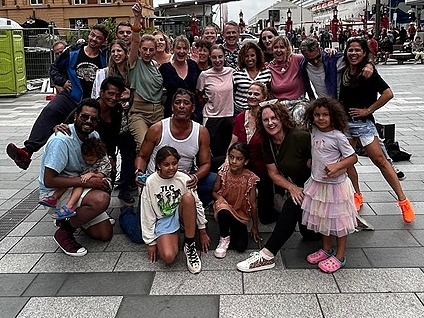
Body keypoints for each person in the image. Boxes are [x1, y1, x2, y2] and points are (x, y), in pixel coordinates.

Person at [7, 24, 108, 170]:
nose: (94, 39)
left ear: (103, 41)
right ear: (89, 35)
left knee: (69, 128)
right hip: (71, 96)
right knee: (50, 111)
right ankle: (26, 152)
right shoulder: (73, 52)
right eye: (92, 35)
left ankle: (80, 165)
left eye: (99, 38)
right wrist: (62, 82)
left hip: (92, 103)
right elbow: (54, 68)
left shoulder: (105, 56)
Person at [236, 101, 320, 273]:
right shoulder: (267, 142)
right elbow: (273, 173)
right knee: (307, 232)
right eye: (265, 120)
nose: (270, 123)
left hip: (317, 192)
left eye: (274, 118)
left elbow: (323, 159)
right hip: (300, 192)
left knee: (293, 205)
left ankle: (268, 254)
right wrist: (292, 187)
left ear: (282, 118)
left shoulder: (300, 136)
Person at [340, 36, 415, 223]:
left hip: (364, 124)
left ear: (365, 53)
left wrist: (368, 109)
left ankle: (403, 201)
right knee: (348, 162)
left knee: (380, 160)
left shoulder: (369, 72)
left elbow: (388, 93)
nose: (353, 53)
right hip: (345, 124)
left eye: (358, 50)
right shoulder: (343, 69)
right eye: (350, 50)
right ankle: (357, 195)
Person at [134, 88, 213, 251]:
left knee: (213, 180)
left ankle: (187, 216)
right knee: (138, 235)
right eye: (178, 102)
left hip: (182, 182)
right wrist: (139, 173)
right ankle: (127, 213)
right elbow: (142, 156)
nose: (182, 106)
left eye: (186, 103)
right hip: (156, 183)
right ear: (172, 107)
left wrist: (195, 177)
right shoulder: (157, 129)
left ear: (193, 108)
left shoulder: (201, 132)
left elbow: (206, 164)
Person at [39, 98, 113, 256]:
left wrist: (99, 179)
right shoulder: (61, 140)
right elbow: (49, 180)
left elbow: (102, 163)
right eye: (84, 116)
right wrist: (87, 182)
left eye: (93, 118)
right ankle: (64, 232)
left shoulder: (93, 135)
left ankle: (69, 218)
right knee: (101, 199)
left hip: (78, 185)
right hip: (55, 192)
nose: (88, 121)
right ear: (75, 116)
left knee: (104, 234)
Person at [301, 97, 358, 273]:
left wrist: (337, 166)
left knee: (339, 221)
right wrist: (312, 160)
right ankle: (326, 249)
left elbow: (353, 157)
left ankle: (340, 256)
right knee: (322, 219)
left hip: (336, 187)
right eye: (317, 115)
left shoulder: (338, 136)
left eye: (325, 115)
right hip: (318, 183)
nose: (321, 118)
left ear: (333, 116)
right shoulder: (314, 131)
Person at [141, 146, 206, 274]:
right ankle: (174, 234)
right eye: (166, 164)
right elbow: (146, 212)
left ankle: (189, 244)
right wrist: (151, 242)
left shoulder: (184, 178)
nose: (171, 168)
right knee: (168, 257)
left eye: (174, 163)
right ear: (159, 165)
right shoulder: (150, 182)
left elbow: (197, 203)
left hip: (182, 212)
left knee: (188, 197)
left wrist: (202, 229)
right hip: (164, 219)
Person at [40, 138, 112, 220]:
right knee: (71, 180)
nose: (88, 162)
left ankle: (69, 206)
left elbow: (102, 175)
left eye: (91, 160)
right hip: (85, 178)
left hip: (100, 180)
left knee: (79, 184)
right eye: (86, 160)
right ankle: (54, 197)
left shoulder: (104, 161)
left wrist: (91, 174)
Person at [213, 142, 260, 258]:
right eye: (231, 157)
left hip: (240, 214)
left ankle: (232, 228)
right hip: (224, 208)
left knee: (241, 247)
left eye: (239, 159)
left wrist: (255, 226)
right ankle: (224, 237)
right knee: (223, 209)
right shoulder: (223, 173)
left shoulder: (250, 178)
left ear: (246, 161)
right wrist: (220, 198)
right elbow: (214, 191)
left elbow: (253, 204)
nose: (234, 161)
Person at [129, 2, 164, 151]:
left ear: (156, 50)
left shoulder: (157, 67)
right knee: (143, 146)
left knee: (161, 147)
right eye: (144, 49)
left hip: (158, 112)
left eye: (151, 49)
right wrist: (137, 18)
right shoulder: (135, 63)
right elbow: (135, 39)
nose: (147, 52)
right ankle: (140, 174)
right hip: (139, 112)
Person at [197, 44, 234, 162]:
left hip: (229, 116)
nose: (217, 60)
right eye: (214, 57)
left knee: (229, 152)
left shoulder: (231, 72)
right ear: (210, 58)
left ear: (224, 57)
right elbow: (198, 92)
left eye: (220, 57)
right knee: (213, 153)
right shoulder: (204, 75)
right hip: (212, 117)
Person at [159, 35, 202, 121]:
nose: (181, 51)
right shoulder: (164, 68)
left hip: (193, 112)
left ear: (188, 50)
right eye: (178, 48)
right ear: (173, 49)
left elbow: (201, 86)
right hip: (172, 111)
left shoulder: (193, 65)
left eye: (184, 48)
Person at [233, 41, 271, 115]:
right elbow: (233, 93)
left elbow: (268, 93)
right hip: (240, 112)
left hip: (260, 112)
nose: (249, 59)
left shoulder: (267, 73)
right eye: (246, 56)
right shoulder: (237, 74)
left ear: (257, 56)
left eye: (252, 55)